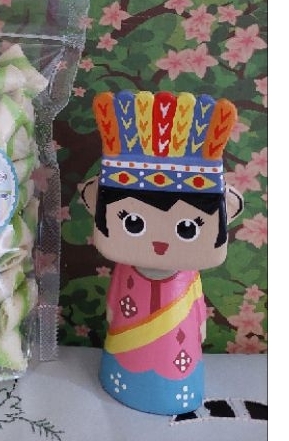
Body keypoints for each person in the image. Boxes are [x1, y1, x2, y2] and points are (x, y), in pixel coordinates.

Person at [81, 89, 243, 415]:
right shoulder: (129, 266)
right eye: (133, 223)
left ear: (229, 208)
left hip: (178, 345)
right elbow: (115, 299)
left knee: (170, 354)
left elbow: (195, 300)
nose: (159, 245)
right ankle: (125, 383)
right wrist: (113, 310)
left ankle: (173, 393)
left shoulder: (187, 272)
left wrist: (199, 323)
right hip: (127, 340)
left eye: (188, 229)